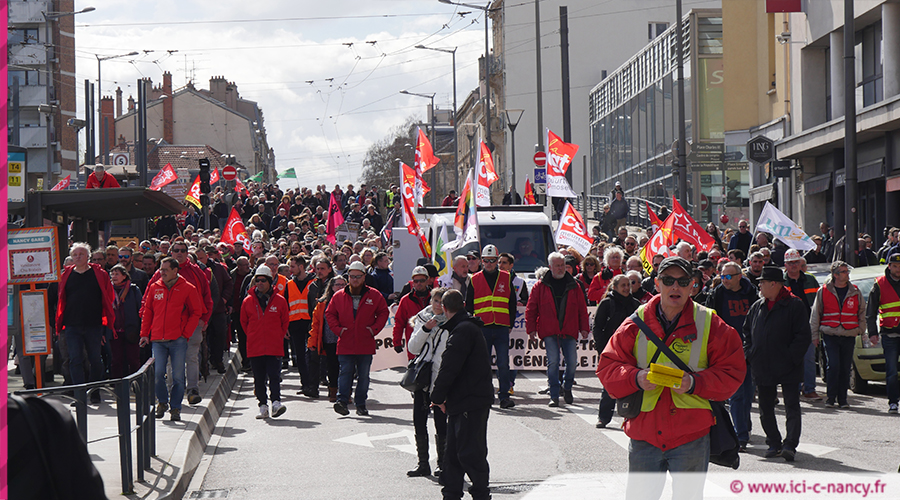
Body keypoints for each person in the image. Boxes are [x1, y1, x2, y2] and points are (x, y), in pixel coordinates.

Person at [596, 256, 745, 499]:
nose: (675, 287)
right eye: (668, 280)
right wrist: (636, 378)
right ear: (657, 283)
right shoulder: (635, 322)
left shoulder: (710, 323)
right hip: (645, 433)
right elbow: (607, 367)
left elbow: (733, 371)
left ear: (692, 286)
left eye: (683, 281)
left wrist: (694, 383)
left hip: (691, 435)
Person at [430, 290, 494, 500]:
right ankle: (451, 493)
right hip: (467, 399)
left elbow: (449, 367)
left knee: (469, 452)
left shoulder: (462, 331)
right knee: (454, 454)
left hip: (469, 400)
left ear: (445, 309)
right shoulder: (466, 327)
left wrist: (437, 397)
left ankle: (479, 494)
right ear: (464, 304)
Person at [744, 267, 811, 463]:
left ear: (774, 284)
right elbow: (746, 332)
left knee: (792, 405)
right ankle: (774, 442)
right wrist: (750, 354)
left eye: (762, 283)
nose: (759, 286)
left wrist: (791, 358)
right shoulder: (758, 306)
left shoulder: (794, 305)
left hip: (788, 365)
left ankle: (790, 444)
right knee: (765, 406)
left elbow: (802, 336)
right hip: (762, 364)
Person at [140, 257, 203, 422]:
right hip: (158, 339)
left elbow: (197, 312)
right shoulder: (155, 287)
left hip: (178, 340)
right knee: (158, 373)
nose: (162, 272)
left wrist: (186, 333)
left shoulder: (188, 288)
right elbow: (148, 311)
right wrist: (145, 333)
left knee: (177, 377)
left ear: (175, 271)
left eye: (165, 270)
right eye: (161, 269)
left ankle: (175, 408)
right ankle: (162, 402)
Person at [150, 239, 212, 406]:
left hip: (193, 324)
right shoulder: (160, 273)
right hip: (168, 327)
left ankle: (192, 390)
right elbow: (148, 301)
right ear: (171, 252)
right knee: (171, 361)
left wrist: (203, 320)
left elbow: (207, 297)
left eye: (183, 250)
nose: (179, 252)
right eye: (176, 250)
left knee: (191, 357)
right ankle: (173, 392)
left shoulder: (198, 272)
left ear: (187, 253)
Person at [704, 261, 757, 450]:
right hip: (727, 350)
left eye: (728, 276)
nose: (724, 280)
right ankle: (740, 434)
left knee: (748, 392)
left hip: (748, 347)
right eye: (722, 276)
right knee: (736, 393)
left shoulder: (751, 292)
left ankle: (745, 426)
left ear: (739, 277)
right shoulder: (718, 293)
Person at [526, 253, 590, 407]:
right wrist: (531, 329)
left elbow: (582, 309)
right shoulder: (540, 286)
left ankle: (567, 387)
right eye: (557, 265)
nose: (561, 268)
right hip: (549, 331)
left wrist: (584, 328)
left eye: (562, 265)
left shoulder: (575, 285)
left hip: (569, 329)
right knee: (553, 362)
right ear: (550, 267)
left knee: (572, 362)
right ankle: (554, 395)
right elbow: (531, 309)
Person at [326, 261, 390, 416]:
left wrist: (373, 329)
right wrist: (338, 330)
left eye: (358, 277)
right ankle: (342, 401)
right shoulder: (339, 296)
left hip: (365, 341)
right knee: (345, 372)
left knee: (363, 376)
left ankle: (361, 403)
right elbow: (330, 313)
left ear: (364, 277)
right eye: (352, 276)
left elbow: (383, 312)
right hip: (346, 341)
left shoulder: (374, 295)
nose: (354, 280)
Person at [56, 243, 116, 403]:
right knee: (75, 359)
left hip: (93, 323)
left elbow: (109, 295)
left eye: (81, 254)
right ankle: (80, 395)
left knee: (95, 359)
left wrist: (106, 323)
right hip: (72, 324)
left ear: (88, 256)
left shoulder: (99, 273)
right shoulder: (66, 274)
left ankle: (95, 391)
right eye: (75, 254)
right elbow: (61, 298)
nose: (78, 257)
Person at [405, 287, 451, 478]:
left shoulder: (453, 322)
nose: (439, 305)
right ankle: (423, 463)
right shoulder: (422, 318)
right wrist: (426, 329)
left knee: (441, 422)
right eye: (436, 301)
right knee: (419, 420)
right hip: (422, 378)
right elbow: (413, 347)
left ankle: (443, 464)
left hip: (441, 378)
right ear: (430, 302)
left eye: (442, 302)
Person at [465, 244, 517, 409]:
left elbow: (512, 303)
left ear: (497, 261)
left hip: (501, 327)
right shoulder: (474, 279)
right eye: (486, 261)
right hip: (483, 327)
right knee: (483, 365)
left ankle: (504, 397)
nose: (489, 264)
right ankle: (485, 395)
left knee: (503, 364)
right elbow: (469, 307)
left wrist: (510, 323)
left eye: (492, 261)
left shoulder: (507, 277)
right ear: (482, 261)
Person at [809, 260, 867, 409]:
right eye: (843, 272)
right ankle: (831, 397)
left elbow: (861, 312)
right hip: (831, 334)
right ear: (835, 275)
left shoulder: (855, 291)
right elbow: (816, 314)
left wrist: (862, 330)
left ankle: (843, 399)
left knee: (845, 367)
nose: (847, 274)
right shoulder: (823, 291)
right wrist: (814, 336)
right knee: (833, 365)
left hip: (849, 334)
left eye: (847, 271)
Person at [241, 265, 290, 419]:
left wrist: (277, 336)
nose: (260, 283)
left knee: (275, 376)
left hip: (274, 346)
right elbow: (243, 322)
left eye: (263, 280)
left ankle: (276, 402)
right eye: (257, 280)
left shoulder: (280, 301)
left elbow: (285, 322)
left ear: (270, 281)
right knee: (259, 378)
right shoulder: (248, 301)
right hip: (255, 347)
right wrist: (252, 334)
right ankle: (263, 405)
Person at [593, 274, 640, 428]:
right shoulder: (607, 304)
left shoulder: (636, 305)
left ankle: (631, 417)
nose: (627, 288)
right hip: (612, 351)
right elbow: (597, 327)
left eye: (629, 285)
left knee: (632, 384)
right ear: (615, 287)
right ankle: (603, 417)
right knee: (610, 385)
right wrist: (602, 349)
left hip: (632, 351)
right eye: (623, 285)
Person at [783, 249, 823, 401]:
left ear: (801, 263)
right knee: (789, 359)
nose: (793, 265)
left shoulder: (810, 279)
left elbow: (819, 303)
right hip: (787, 326)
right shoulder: (781, 282)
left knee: (808, 359)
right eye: (790, 263)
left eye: (796, 262)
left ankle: (809, 389)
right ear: (785, 265)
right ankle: (793, 388)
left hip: (807, 325)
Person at [865, 252, 900, 414]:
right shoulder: (880, 284)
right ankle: (893, 402)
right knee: (892, 371)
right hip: (889, 334)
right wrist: (873, 332)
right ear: (889, 266)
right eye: (895, 266)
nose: (898, 269)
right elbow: (870, 311)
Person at [309, 275, 347, 402]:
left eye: (343, 284)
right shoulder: (322, 303)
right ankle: (333, 390)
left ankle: (345, 392)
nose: (340, 287)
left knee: (347, 367)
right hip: (329, 340)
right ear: (331, 287)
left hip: (346, 338)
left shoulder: (350, 300)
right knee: (332, 366)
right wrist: (312, 342)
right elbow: (316, 324)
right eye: (338, 284)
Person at [285, 255, 317, 397]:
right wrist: (285, 326)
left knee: (313, 355)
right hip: (295, 324)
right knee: (300, 356)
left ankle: (313, 384)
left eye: (292, 266)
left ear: (301, 266)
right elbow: (285, 306)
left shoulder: (314, 282)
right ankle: (305, 385)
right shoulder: (289, 284)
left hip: (311, 323)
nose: (290, 270)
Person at [109, 265, 143, 379]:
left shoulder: (133, 289)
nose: (114, 276)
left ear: (124, 276)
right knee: (116, 360)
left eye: (117, 274)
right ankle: (117, 384)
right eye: (112, 274)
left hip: (131, 329)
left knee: (133, 359)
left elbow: (141, 309)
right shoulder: (108, 289)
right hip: (114, 331)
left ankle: (135, 383)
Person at [394, 267, 432, 359]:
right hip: (414, 343)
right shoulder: (405, 300)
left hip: (433, 341)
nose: (419, 283)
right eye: (416, 281)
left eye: (422, 280)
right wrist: (397, 342)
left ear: (427, 281)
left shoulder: (435, 298)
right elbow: (399, 322)